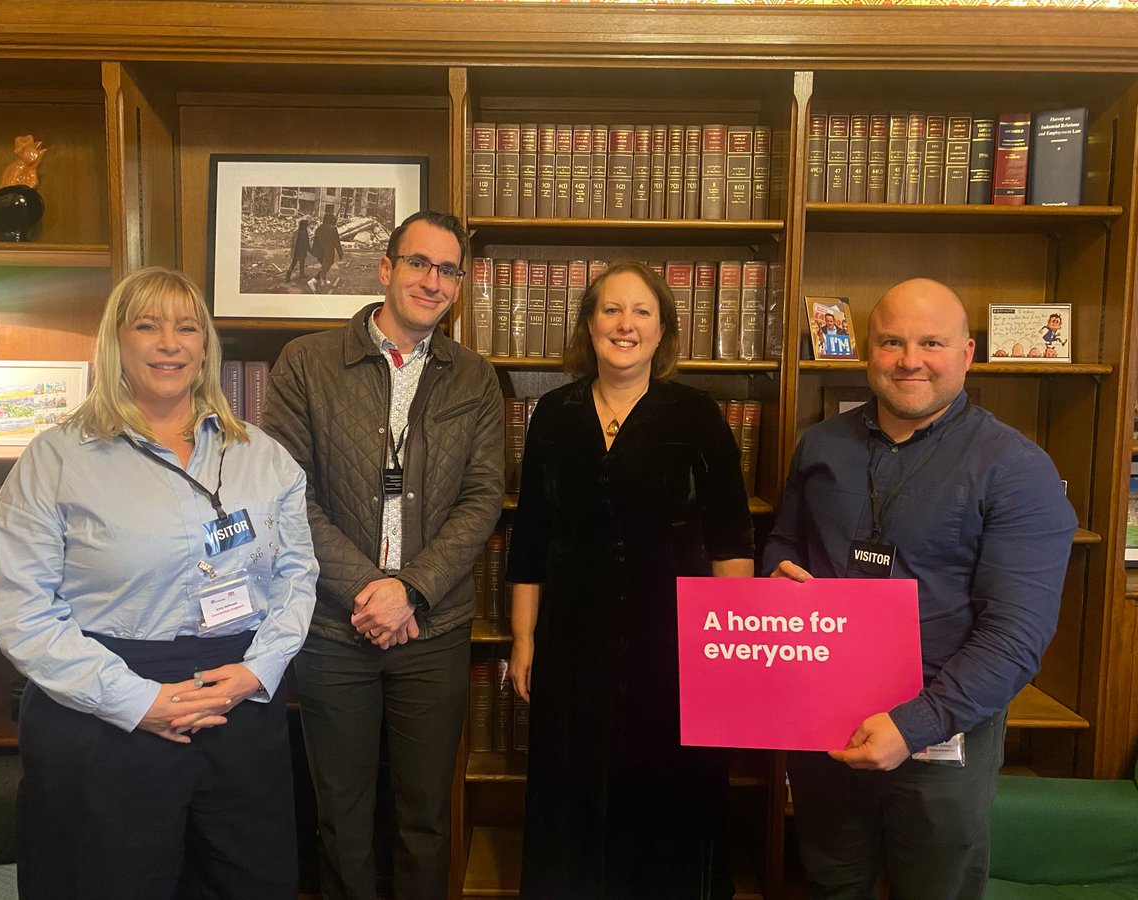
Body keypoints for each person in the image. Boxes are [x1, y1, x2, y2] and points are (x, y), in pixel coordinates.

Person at [0, 266, 319, 899]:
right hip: (104, 711)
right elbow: (22, 610)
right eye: (148, 325)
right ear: (116, 341)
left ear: (205, 345)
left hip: (238, 700)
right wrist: (138, 702)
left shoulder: (263, 456)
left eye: (187, 327)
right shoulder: (55, 460)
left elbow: (297, 577)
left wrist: (261, 669)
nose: (170, 343)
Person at [763, 277, 1077, 898]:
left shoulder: (1017, 469)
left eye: (931, 342)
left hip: (943, 732)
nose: (910, 360)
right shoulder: (821, 445)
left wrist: (914, 725)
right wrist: (778, 570)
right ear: (865, 352)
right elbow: (783, 542)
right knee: (828, 881)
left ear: (966, 353)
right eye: (891, 342)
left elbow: (1015, 636)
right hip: (825, 720)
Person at [263, 210, 504, 900]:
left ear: (459, 284)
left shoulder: (475, 378)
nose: (433, 281)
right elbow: (286, 496)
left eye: (449, 270)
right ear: (385, 269)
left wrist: (411, 591)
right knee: (340, 817)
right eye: (419, 263)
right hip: (335, 630)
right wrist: (370, 589)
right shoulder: (307, 364)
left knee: (425, 817)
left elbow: (483, 499)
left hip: (434, 627)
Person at [507, 260, 755, 899]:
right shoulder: (554, 415)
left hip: (675, 644)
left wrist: (725, 651)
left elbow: (731, 541)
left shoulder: (698, 414)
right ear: (589, 326)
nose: (625, 324)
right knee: (575, 791)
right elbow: (532, 536)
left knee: (669, 797)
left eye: (642, 311)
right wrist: (524, 639)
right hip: (572, 643)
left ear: (663, 329)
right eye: (611, 310)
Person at [309, 212, 344, 292]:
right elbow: (337, 242)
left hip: (319, 251)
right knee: (327, 266)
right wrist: (340, 253)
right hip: (328, 251)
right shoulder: (333, 228)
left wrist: (315, 252)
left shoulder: (319, 228)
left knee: (324, 265)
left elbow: (315, 241)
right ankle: (313, 281)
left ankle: (324, 281)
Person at [286, 217, 311, 282]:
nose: (306, 226)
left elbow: (292, 241)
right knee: (302, 263)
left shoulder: (296, 231)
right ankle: (301, 275)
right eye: (306, 225)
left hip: (295, 251)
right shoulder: (304, 233)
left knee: (293, 264)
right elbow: (306, 244)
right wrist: (311, 251)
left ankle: (287, 276)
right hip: (301, 251)